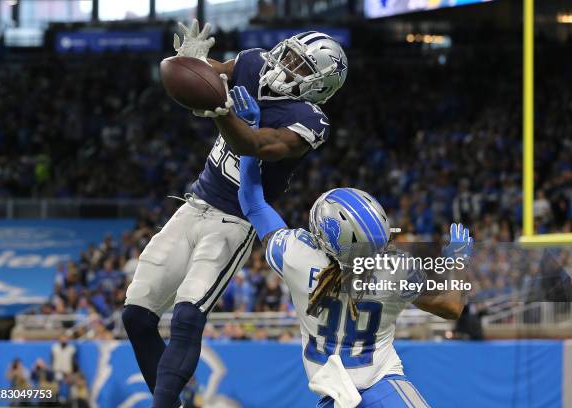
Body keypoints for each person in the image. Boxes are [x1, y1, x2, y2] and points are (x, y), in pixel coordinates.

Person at [122, 19, 348, 407]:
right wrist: (193, 61)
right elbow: (210, 75)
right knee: (136, 316)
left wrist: (222, 111)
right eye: (288, 55)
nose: (284, 66)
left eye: (299, 66)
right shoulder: (254, 62)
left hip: (235, 221)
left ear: (319, 85)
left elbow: (257, 145)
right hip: (194, 204)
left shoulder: (310, 121)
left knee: (188, 315)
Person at [235, 87, 473, 407]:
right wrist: (457, 260)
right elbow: (453, 306)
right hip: (382, 388)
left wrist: (249, 136)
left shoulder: (296, 256)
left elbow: (252, 202)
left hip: (332, 398)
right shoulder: (394, 272)